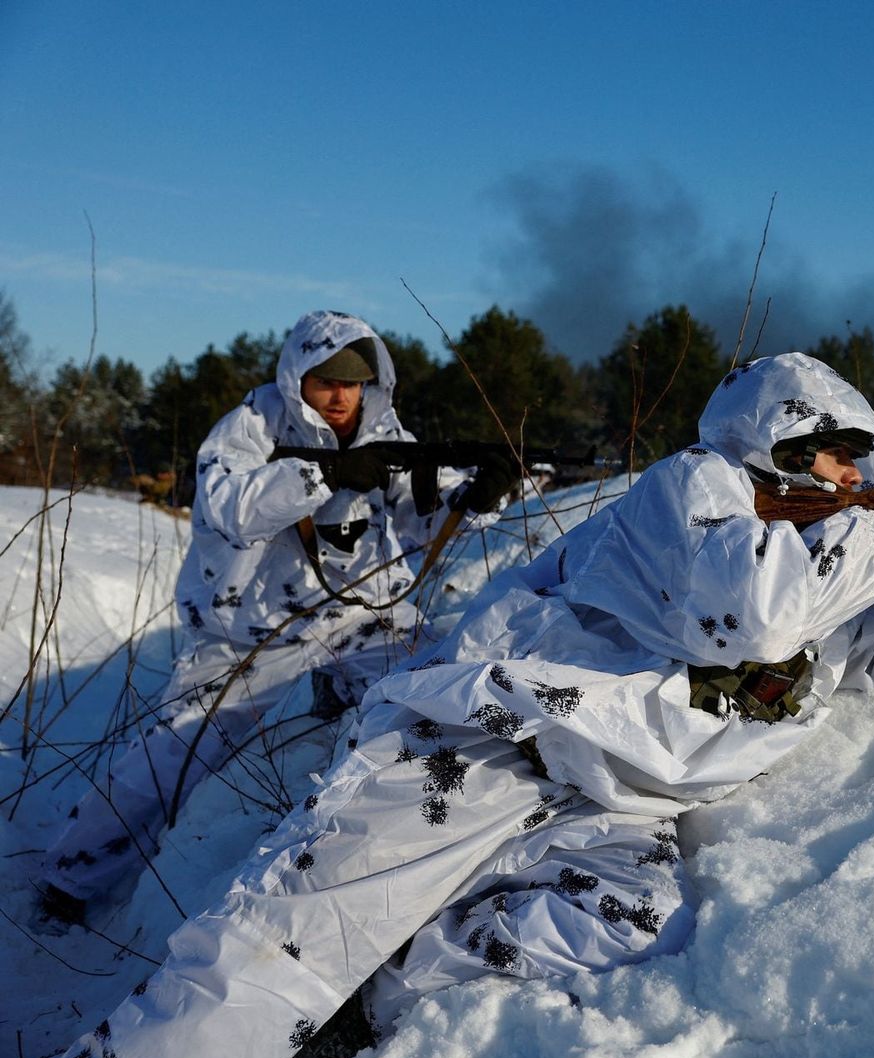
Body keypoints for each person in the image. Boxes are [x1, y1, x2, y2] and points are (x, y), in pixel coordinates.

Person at [49, 352, 874, 1058]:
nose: (853, 483)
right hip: (484, 738)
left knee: (629, 922)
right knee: (268, 953)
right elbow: (746, 613)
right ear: (789, 444)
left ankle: (378, 995)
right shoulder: (692, 489)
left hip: (612, 802)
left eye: (863, 473)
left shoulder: (827, 559)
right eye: (841, 462)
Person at [39, 310, 518, 926]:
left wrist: (475, 498)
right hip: (251, 637)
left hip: (363, 624)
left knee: (450, 690)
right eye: (327, 381)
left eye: (355, 382)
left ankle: (437, 851)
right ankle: (71, 877)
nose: (342, 396)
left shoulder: (383, 429)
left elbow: (420, 518)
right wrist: (323, 473)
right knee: (173, 752)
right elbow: (228, 507)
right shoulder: (251, 427)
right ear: (298, 379)